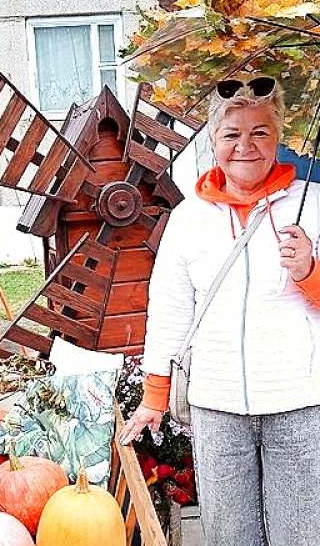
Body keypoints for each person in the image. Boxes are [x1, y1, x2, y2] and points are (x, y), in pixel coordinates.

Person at [118, 76, 320, 545]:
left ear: (278, 136)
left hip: (299, 402)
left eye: (260, 132)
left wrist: (309, 269)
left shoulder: (312, 207)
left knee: (302, 535)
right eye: (232, 134)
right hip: (217, 407)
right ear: (213, 140)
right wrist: (154, 395)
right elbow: (170, 309)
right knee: (229, 535)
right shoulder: (188, 218)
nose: (245, 146)